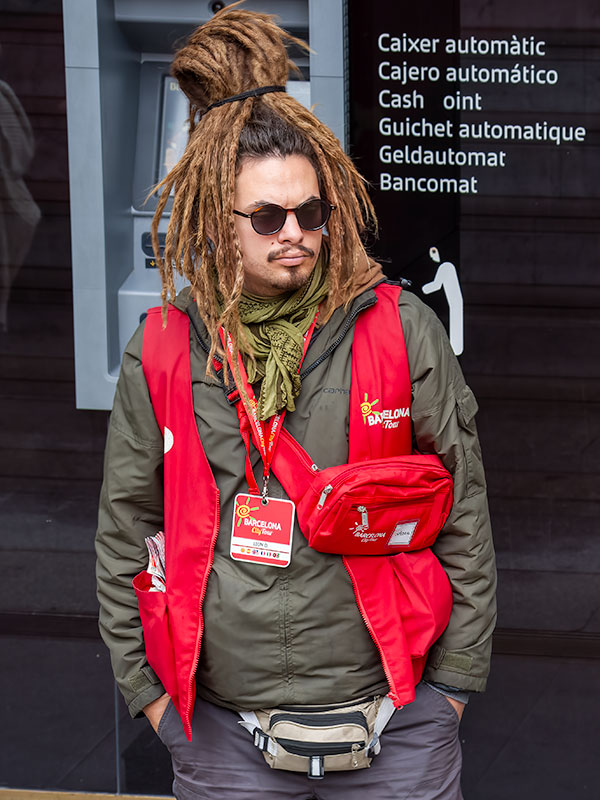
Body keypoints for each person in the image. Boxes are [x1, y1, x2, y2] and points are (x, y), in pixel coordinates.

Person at [96, 7, 496, 799]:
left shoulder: (397, 328)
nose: (296, 234)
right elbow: (126, 525)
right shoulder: (167, 345)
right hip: (221, 733)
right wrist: (148, 697)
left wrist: (453, 688)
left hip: (398, 721)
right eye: (268, 216)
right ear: (219, 222)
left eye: (311, 213)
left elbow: (466, 514)